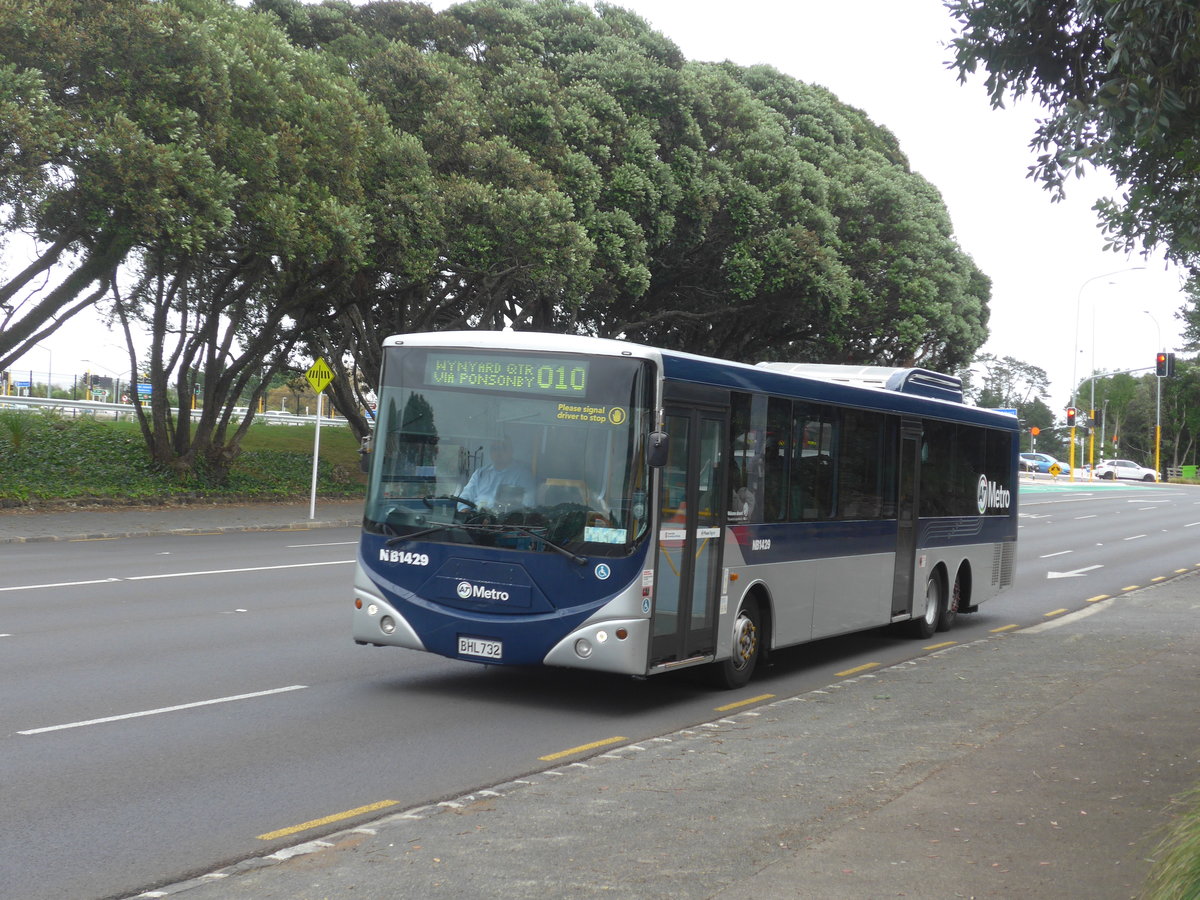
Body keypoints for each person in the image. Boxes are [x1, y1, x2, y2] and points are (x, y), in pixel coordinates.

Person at [458, 438, 536, 508]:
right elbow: (465, 496)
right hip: (476, 520)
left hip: (504, 521)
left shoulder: (523, 475)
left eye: (503, 448)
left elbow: (528, 504)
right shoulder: (480, 473)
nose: (498, 452)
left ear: (511, 451)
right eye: (494, 449)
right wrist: (464, 509)